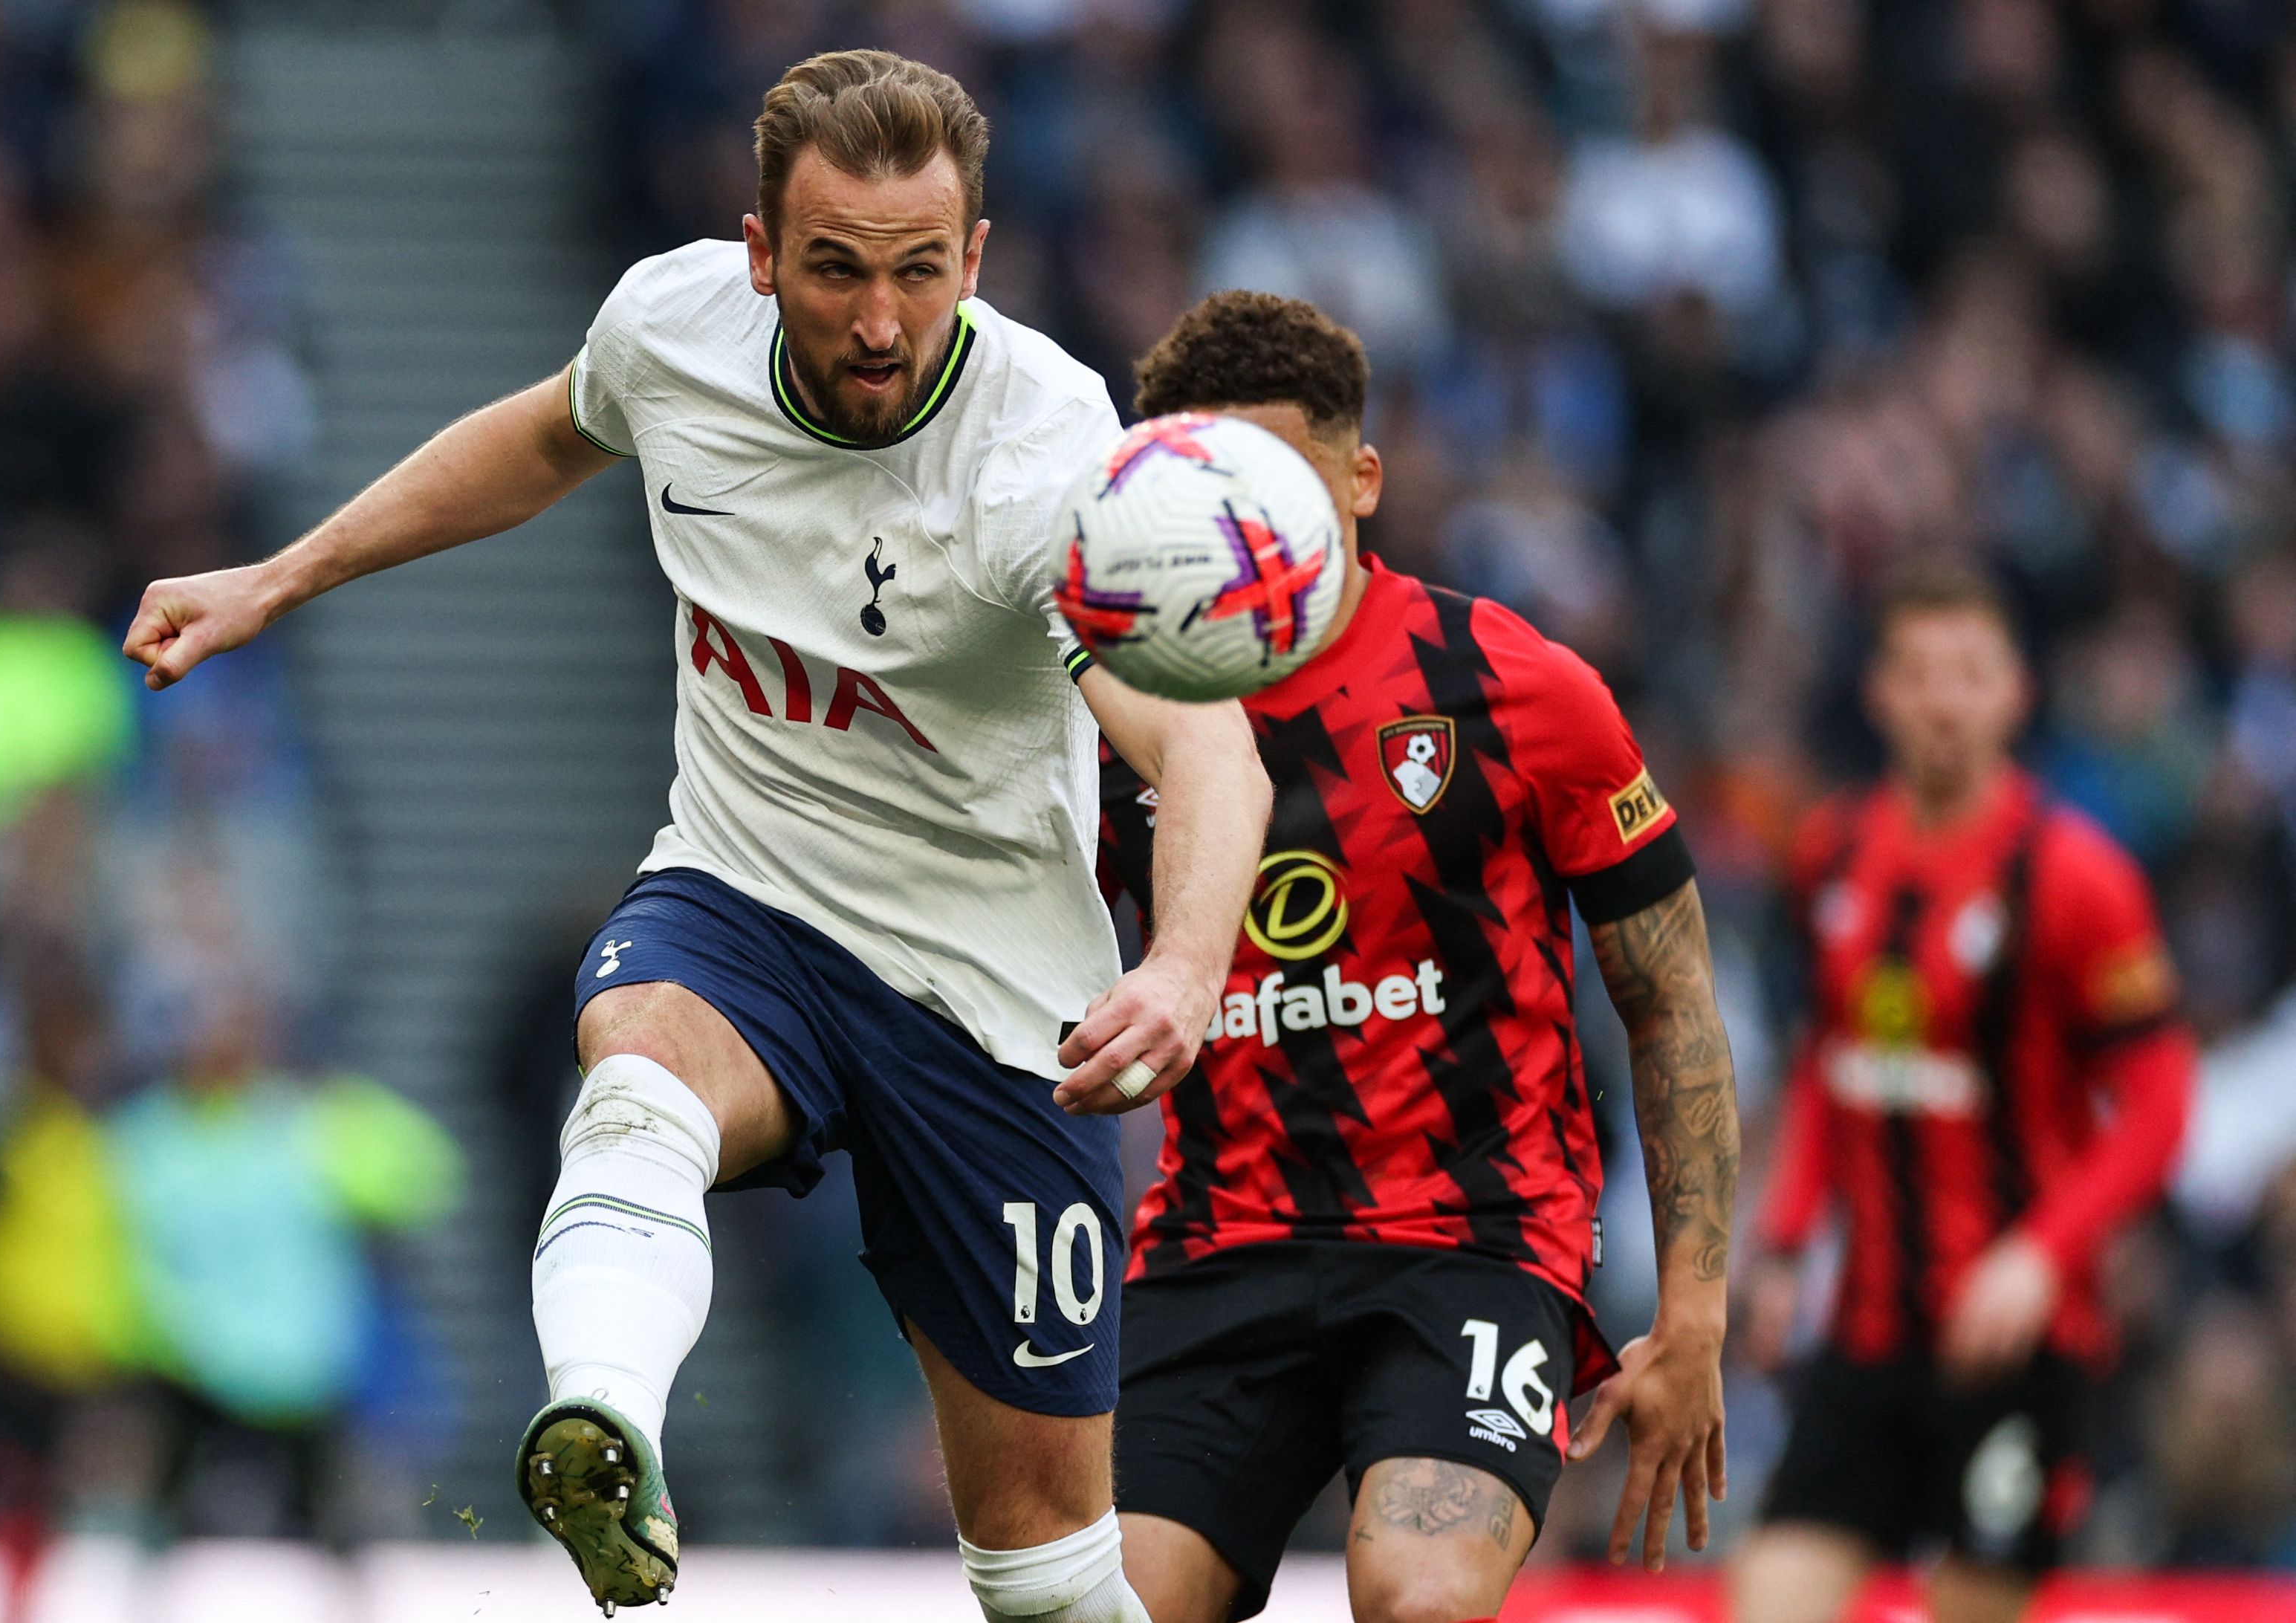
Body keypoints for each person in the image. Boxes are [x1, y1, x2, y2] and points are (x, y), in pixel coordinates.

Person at [120, 51, 1269, 1622]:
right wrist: (282, 575)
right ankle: (606, 1429)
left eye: (921, 273)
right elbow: (538, 439)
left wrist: (1189, 963)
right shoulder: (674, 328)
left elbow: (1201, 738)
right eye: (838, 270)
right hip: (748, 896)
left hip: (997, 998)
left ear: (978, 260)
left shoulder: (1046, 456)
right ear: (757, 252)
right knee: (636, 1075)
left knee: (1048, 1584)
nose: (880, 320)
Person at [1095, 291, 1738, 1623]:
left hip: (1472, 1247)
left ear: (1364, 478)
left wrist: (1694, 1313)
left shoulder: (1513, 688)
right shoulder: (1111, 718)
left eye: (1281, 486)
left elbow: (1668, 999)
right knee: (1101, 1609)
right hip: (1219, 1243)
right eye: (1215, 492)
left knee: (1418, 1592)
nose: (1249, 530)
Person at [1733, 568, 2197, 1623]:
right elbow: (1827, 1065)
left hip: (2019, 1350)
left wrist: (2042, 1253)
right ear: (1878, 693)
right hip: (1866, 1336)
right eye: (1919, 674)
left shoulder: (2076, 878)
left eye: (1969, 675)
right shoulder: (1832, 854)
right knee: (1764, 1604)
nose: (1944, 701)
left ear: (2014, 694)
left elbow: (2162, 1096)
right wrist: (1787, 1243)